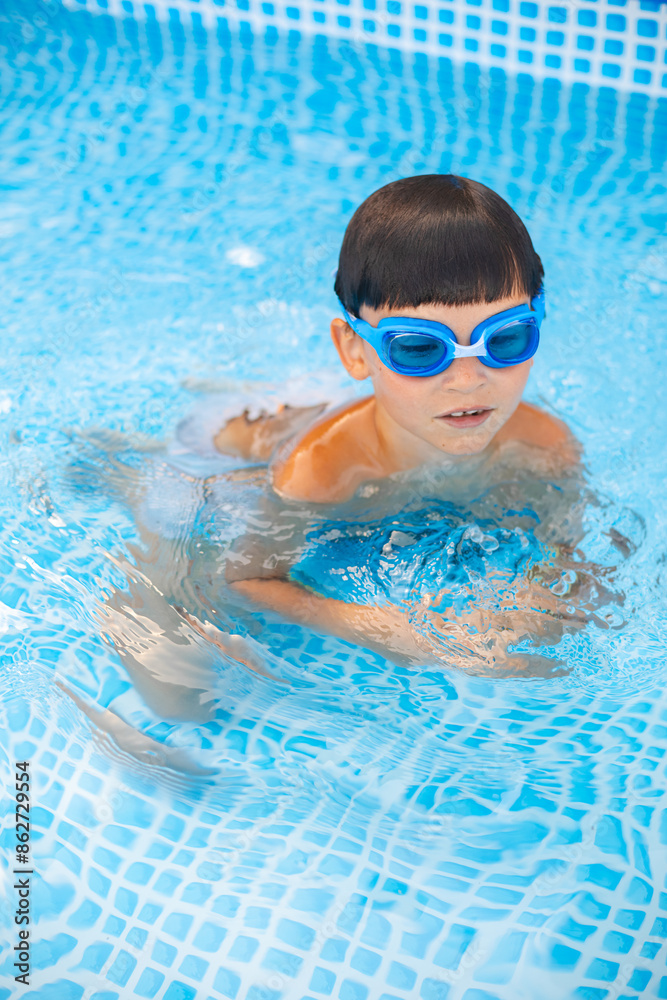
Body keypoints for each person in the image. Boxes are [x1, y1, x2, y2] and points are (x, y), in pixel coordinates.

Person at [190, 174, 592, 676]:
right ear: (355, 350)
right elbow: (240, 582)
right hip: (242, 440)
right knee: (186, 689)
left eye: (506, 338)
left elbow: (568, 557)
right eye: (420, 348)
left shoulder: (549, 445)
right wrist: (380, 628)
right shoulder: (317, 476)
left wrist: (542, 600)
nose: (468, 380)